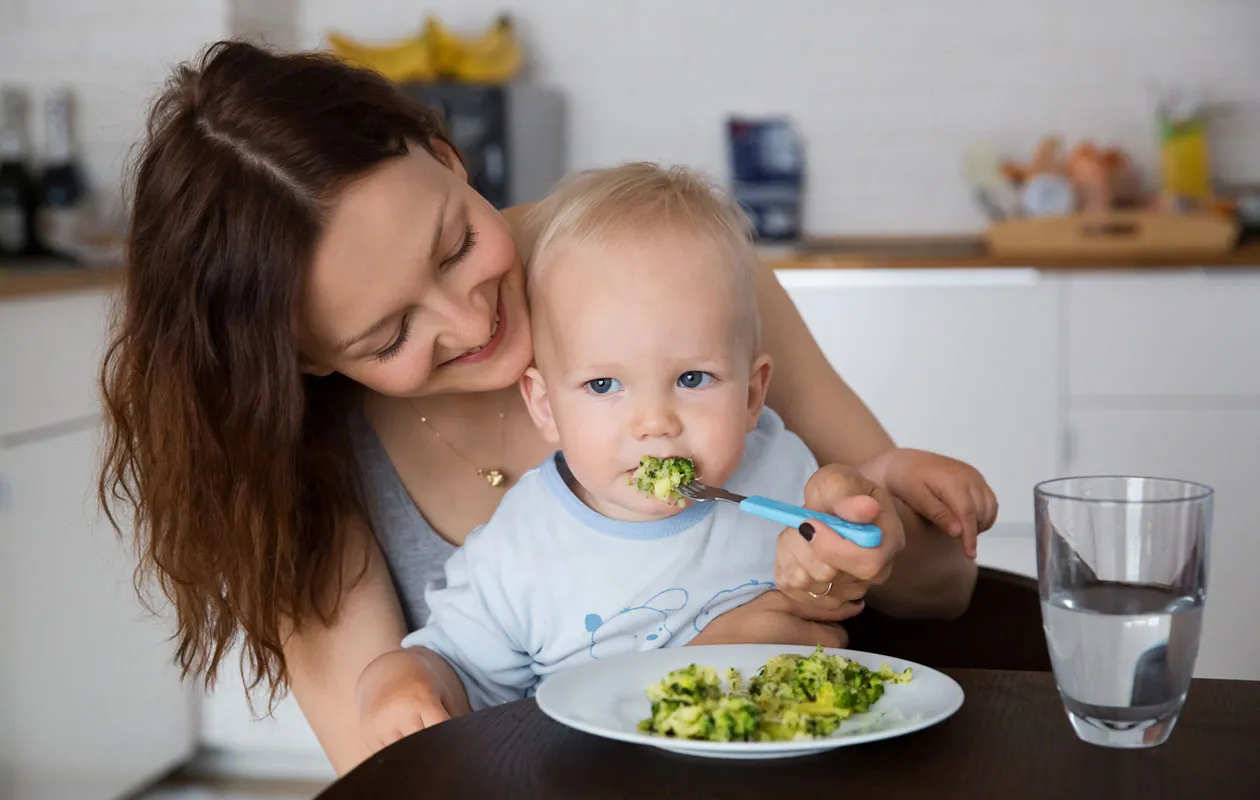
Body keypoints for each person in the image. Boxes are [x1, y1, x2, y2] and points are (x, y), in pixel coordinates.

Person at [99, 40, 994, 775]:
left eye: (454, 246)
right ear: (305, 362)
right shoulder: (301, 460)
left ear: (447, 158)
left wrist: (858, 553)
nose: (470, 319)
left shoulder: (665, 272)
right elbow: (399, 766)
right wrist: (672, 684)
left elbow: (946, 587)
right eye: (388, 336)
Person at [355, 163, 997, 738]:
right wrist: (401, 677)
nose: (655, 423)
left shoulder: (777, 466)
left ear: (752, 394)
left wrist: (890, 481)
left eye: (692, 379)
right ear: (546, 405)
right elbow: (454, 664)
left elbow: (851, 509)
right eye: (604, 385)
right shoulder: (520, 550)